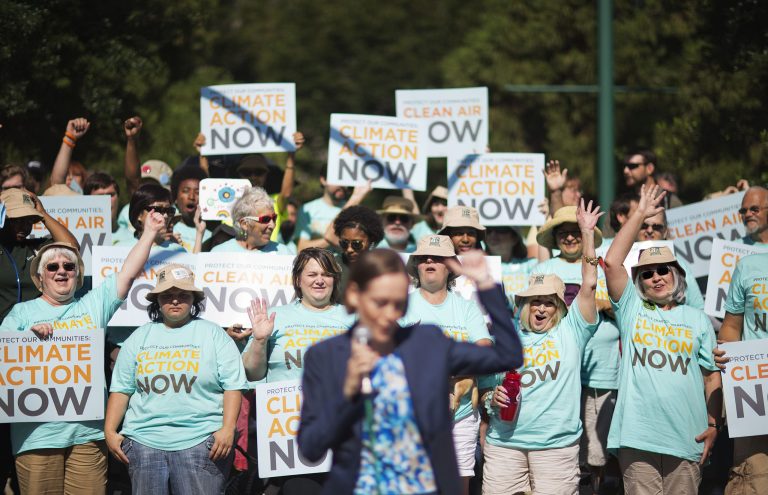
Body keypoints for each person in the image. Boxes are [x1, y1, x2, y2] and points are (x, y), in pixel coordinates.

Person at [297, 249, 523, 495]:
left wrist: (486, 284)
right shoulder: (325, 356)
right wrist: (346, 391)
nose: (390, 314)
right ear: (354, 295)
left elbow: (508, 355)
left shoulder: (426, 342)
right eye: (380, 302)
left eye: (399, 304)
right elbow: (311, 448)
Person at [0, 211, 169, 494]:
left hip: (88, 436)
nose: (61, 270)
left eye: (68, 265)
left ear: (78, 274)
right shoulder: (21, 314)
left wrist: (150, 232)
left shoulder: (93, 305)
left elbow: (127, 272)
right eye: (52, 267)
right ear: (40, 277)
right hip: (37, 437)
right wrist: (27, 341)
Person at [603, 184, 722, 495]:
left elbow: (712, 378)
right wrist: (640, 213)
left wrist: (714, 425)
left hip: (687, 438)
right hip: (637, 438)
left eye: (662, 270)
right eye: (647, 273)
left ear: (676, 275)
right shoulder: (631, 309)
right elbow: (613, 262)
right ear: (638, 281)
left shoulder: (696, 319)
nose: (656, 277)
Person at [482, 200, 601, 494]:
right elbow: (485, 388)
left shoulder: (572, 331)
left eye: (549, 302)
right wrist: (490, 397)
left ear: (560, 307)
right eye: (535, 301)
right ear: (523, 305)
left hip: (555, 448)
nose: (541, 308)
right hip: (504, 445)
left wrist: (587, 234)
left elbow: (589, 284)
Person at [104, 264, 247, 494]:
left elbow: (233, 385)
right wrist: (110, 431)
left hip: (201, 443)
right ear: (157, 300)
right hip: (144, 443)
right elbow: (121, 389)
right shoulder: (139, 337)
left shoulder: (214, 334)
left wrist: (228, 429)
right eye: (168, 295)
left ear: (193, 300)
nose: (175, 301)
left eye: (183, 295)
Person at [241, 248, 354, 494]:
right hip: (289, 441)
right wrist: (260, 340)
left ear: (335, 280)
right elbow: (252, 374)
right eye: (312, 273)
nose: (319, 280)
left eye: (326, 274)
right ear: (297, 280)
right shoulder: (276, 316)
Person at [533, 205, 620, 491]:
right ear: (554, 238)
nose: (570, 238)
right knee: (568, 449)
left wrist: (606, 304)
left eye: (575, 233)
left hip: (603, 372)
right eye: (563, 233)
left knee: (599, 453)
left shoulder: (605, 266)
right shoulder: (543, 270)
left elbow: (629, 309)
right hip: (556, 374)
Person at [400, 234, 491, 494]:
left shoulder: (466, 308)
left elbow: (484, 348)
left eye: (438, 258)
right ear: (416, 265)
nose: (430, 260)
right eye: (424, 257)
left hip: (460, 417)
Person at [713, 251, 768, 494]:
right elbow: (732, 326)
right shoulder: (748, 266)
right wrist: (728, 359)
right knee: (753, 479)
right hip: (755, 396)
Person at [0, 188, 79, 319]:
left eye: (29, 220)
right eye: (18, 220)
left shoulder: (37, 247)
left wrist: (43, 213)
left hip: (39, 333)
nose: (24, 226)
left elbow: (72, 247)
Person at [210, 186, 291, 254]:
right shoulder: (220, 253)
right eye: (265, 219)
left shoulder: (284, 254)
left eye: (274, 218)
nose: (272, 225)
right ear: (244, 224)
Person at [116, 184, 185, 253]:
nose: (165, 216)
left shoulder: (178, 251)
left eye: (169, 210)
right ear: (139, 215)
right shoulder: (119, 249)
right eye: (158, 209)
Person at [484, 226, 538, 311]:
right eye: (489, 231)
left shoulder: (531, 264)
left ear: (515, 238)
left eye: (500, 230)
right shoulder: (480, 267)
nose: (493, 235)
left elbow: (546, 271)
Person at [331, 205, 385, 291]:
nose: (349, 249)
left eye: (356, 244)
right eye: (344, 243)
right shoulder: (331, 266)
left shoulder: (381, 268)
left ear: (371, 240)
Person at [170, 164, 210, 252]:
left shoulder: (211, 237)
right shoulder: (166, 230)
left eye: (198, 192)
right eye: (185, 191)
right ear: (175, 198)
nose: (191, 197)